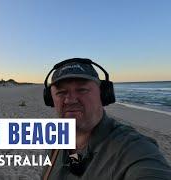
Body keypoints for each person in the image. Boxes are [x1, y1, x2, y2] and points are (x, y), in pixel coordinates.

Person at [41, 58, 171, 180]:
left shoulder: (133, 148)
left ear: (103, 95)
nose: (70, 100)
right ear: (50, 99)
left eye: (82, 90)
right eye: (61, 92)